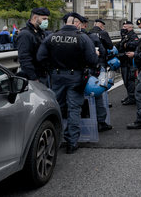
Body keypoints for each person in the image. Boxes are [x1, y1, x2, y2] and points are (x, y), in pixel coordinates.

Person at [37, 12, 98, 154]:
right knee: (74, 109)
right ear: (77, 23)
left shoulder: (51, 37)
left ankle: (53, 140)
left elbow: (40, 57)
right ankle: (71, 143)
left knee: (55, 107)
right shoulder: (82, 38)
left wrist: (51, 67)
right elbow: (92, 60)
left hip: (56, 77)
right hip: (75, 78)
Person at [81, 18, 113, 132]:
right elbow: (104, 51)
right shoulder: (93, 37)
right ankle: (101, 121)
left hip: (73, 72)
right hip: (93, 70)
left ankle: (78, 124)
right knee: (97, 94)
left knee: (76, 98)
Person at [16, 7, 51, 85]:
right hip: (34, 77)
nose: (46, 21)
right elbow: (24, 59)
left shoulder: (41, 33)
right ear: (35, 18)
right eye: (44, 19)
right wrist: (34, 78)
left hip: (44, 74)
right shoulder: (25, 34)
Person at [119, 21, 139, 105]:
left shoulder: (133, 36)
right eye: (123, 27)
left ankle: (132, 97)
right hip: (125, 61)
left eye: (125, 27)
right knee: (125, 80)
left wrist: (125, 45)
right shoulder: (126, 36)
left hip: (129, 62)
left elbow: (135, 44)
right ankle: (129, 95)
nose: (123, 29)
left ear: (130, 28)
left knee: (129, 80)